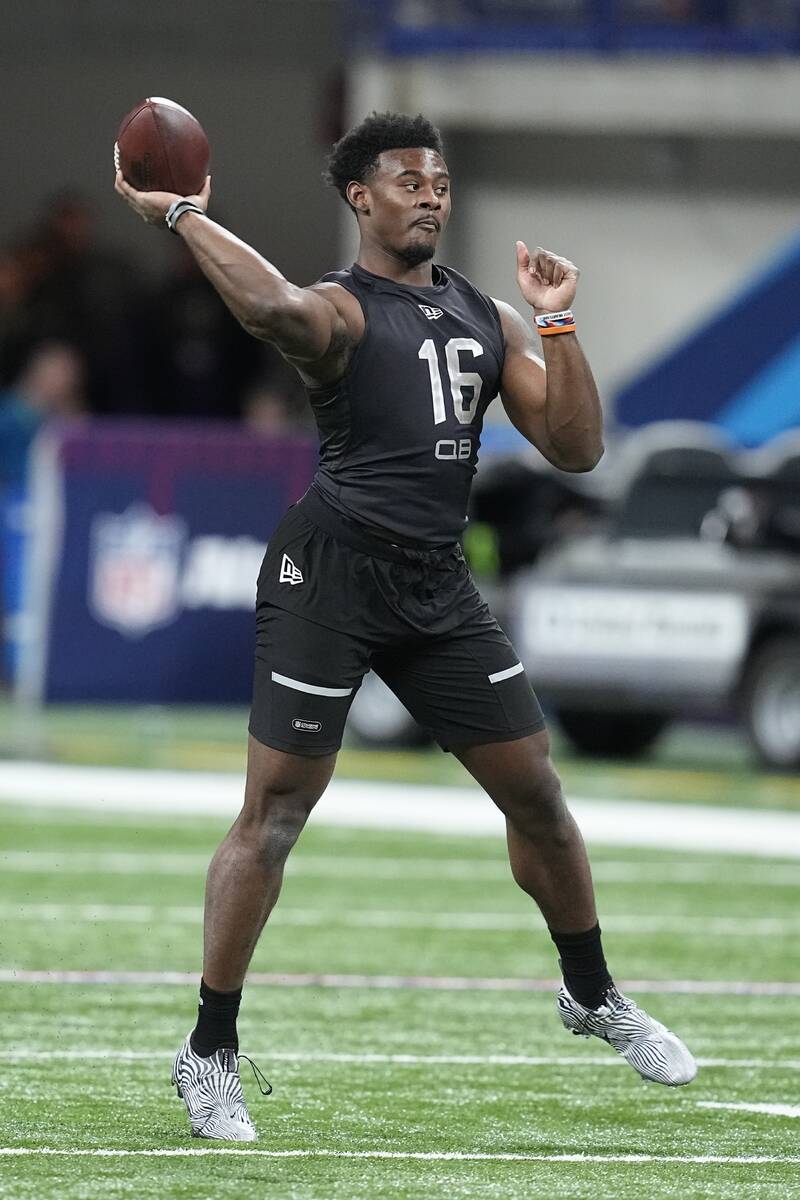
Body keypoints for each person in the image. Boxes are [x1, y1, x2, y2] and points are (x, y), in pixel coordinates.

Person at [115, 111, 696, 1142]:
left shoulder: (480, 315)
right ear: (360, 198)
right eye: (407, 179)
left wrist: (555, 322)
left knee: (541, 799)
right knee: (276, 815)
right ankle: (208, 1050)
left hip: (434, 588)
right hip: (328, 576)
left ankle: (591, 992)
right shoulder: (339, 308)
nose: (430, 192)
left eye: (439, 179)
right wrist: (185, 219)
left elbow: (574, 448)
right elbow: (272, 311)